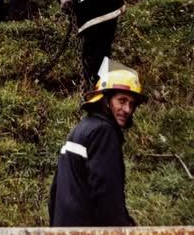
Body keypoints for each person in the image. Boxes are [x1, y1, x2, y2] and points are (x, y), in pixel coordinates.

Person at [48, 59, 145, 227]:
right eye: (122, 101)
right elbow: (106, 195)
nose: (127, 109)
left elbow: (54, 194)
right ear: (106, 100)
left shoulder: (81, 129)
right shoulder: (104, 132)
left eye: (132, 104)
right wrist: (124, 229)